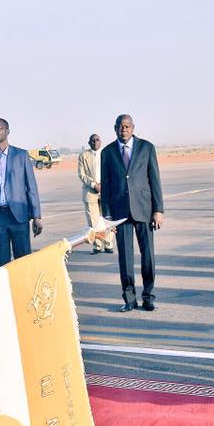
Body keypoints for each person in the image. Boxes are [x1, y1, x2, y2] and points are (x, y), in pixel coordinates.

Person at [100, 114, 165, 312]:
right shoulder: (108, 152)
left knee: (148, 256)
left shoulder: (147, 147)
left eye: (127, 126)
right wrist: (107, 216)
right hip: (120, 213)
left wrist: (158, 209)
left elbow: (155, 179)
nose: (124, 130)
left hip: (144, 210)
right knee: (125, 258)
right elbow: (106, 186)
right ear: (115, 128)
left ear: (133, 127)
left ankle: (148, 296)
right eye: (120, 127)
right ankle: (129, 299)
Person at [0, 118, 43, 266]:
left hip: (19, 217)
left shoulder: (21, 155)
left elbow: (31, 187)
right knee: (2, 265)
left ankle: (24, 290)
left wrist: (36, 216)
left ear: (7, 131)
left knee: (24, 263)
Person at [78, 133, 114, 254]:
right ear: (89, 143)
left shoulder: (108, 154)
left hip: (107, 192)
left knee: (107, 219)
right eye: (92, 140)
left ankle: (108, 244)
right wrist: (94, 185)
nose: (95, 142)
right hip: (90, 192)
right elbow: (81, 174)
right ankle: (97, 245)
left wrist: (105, 185)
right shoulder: (83, 155)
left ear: (101, 141)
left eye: (97, 139)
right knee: (93, 222)